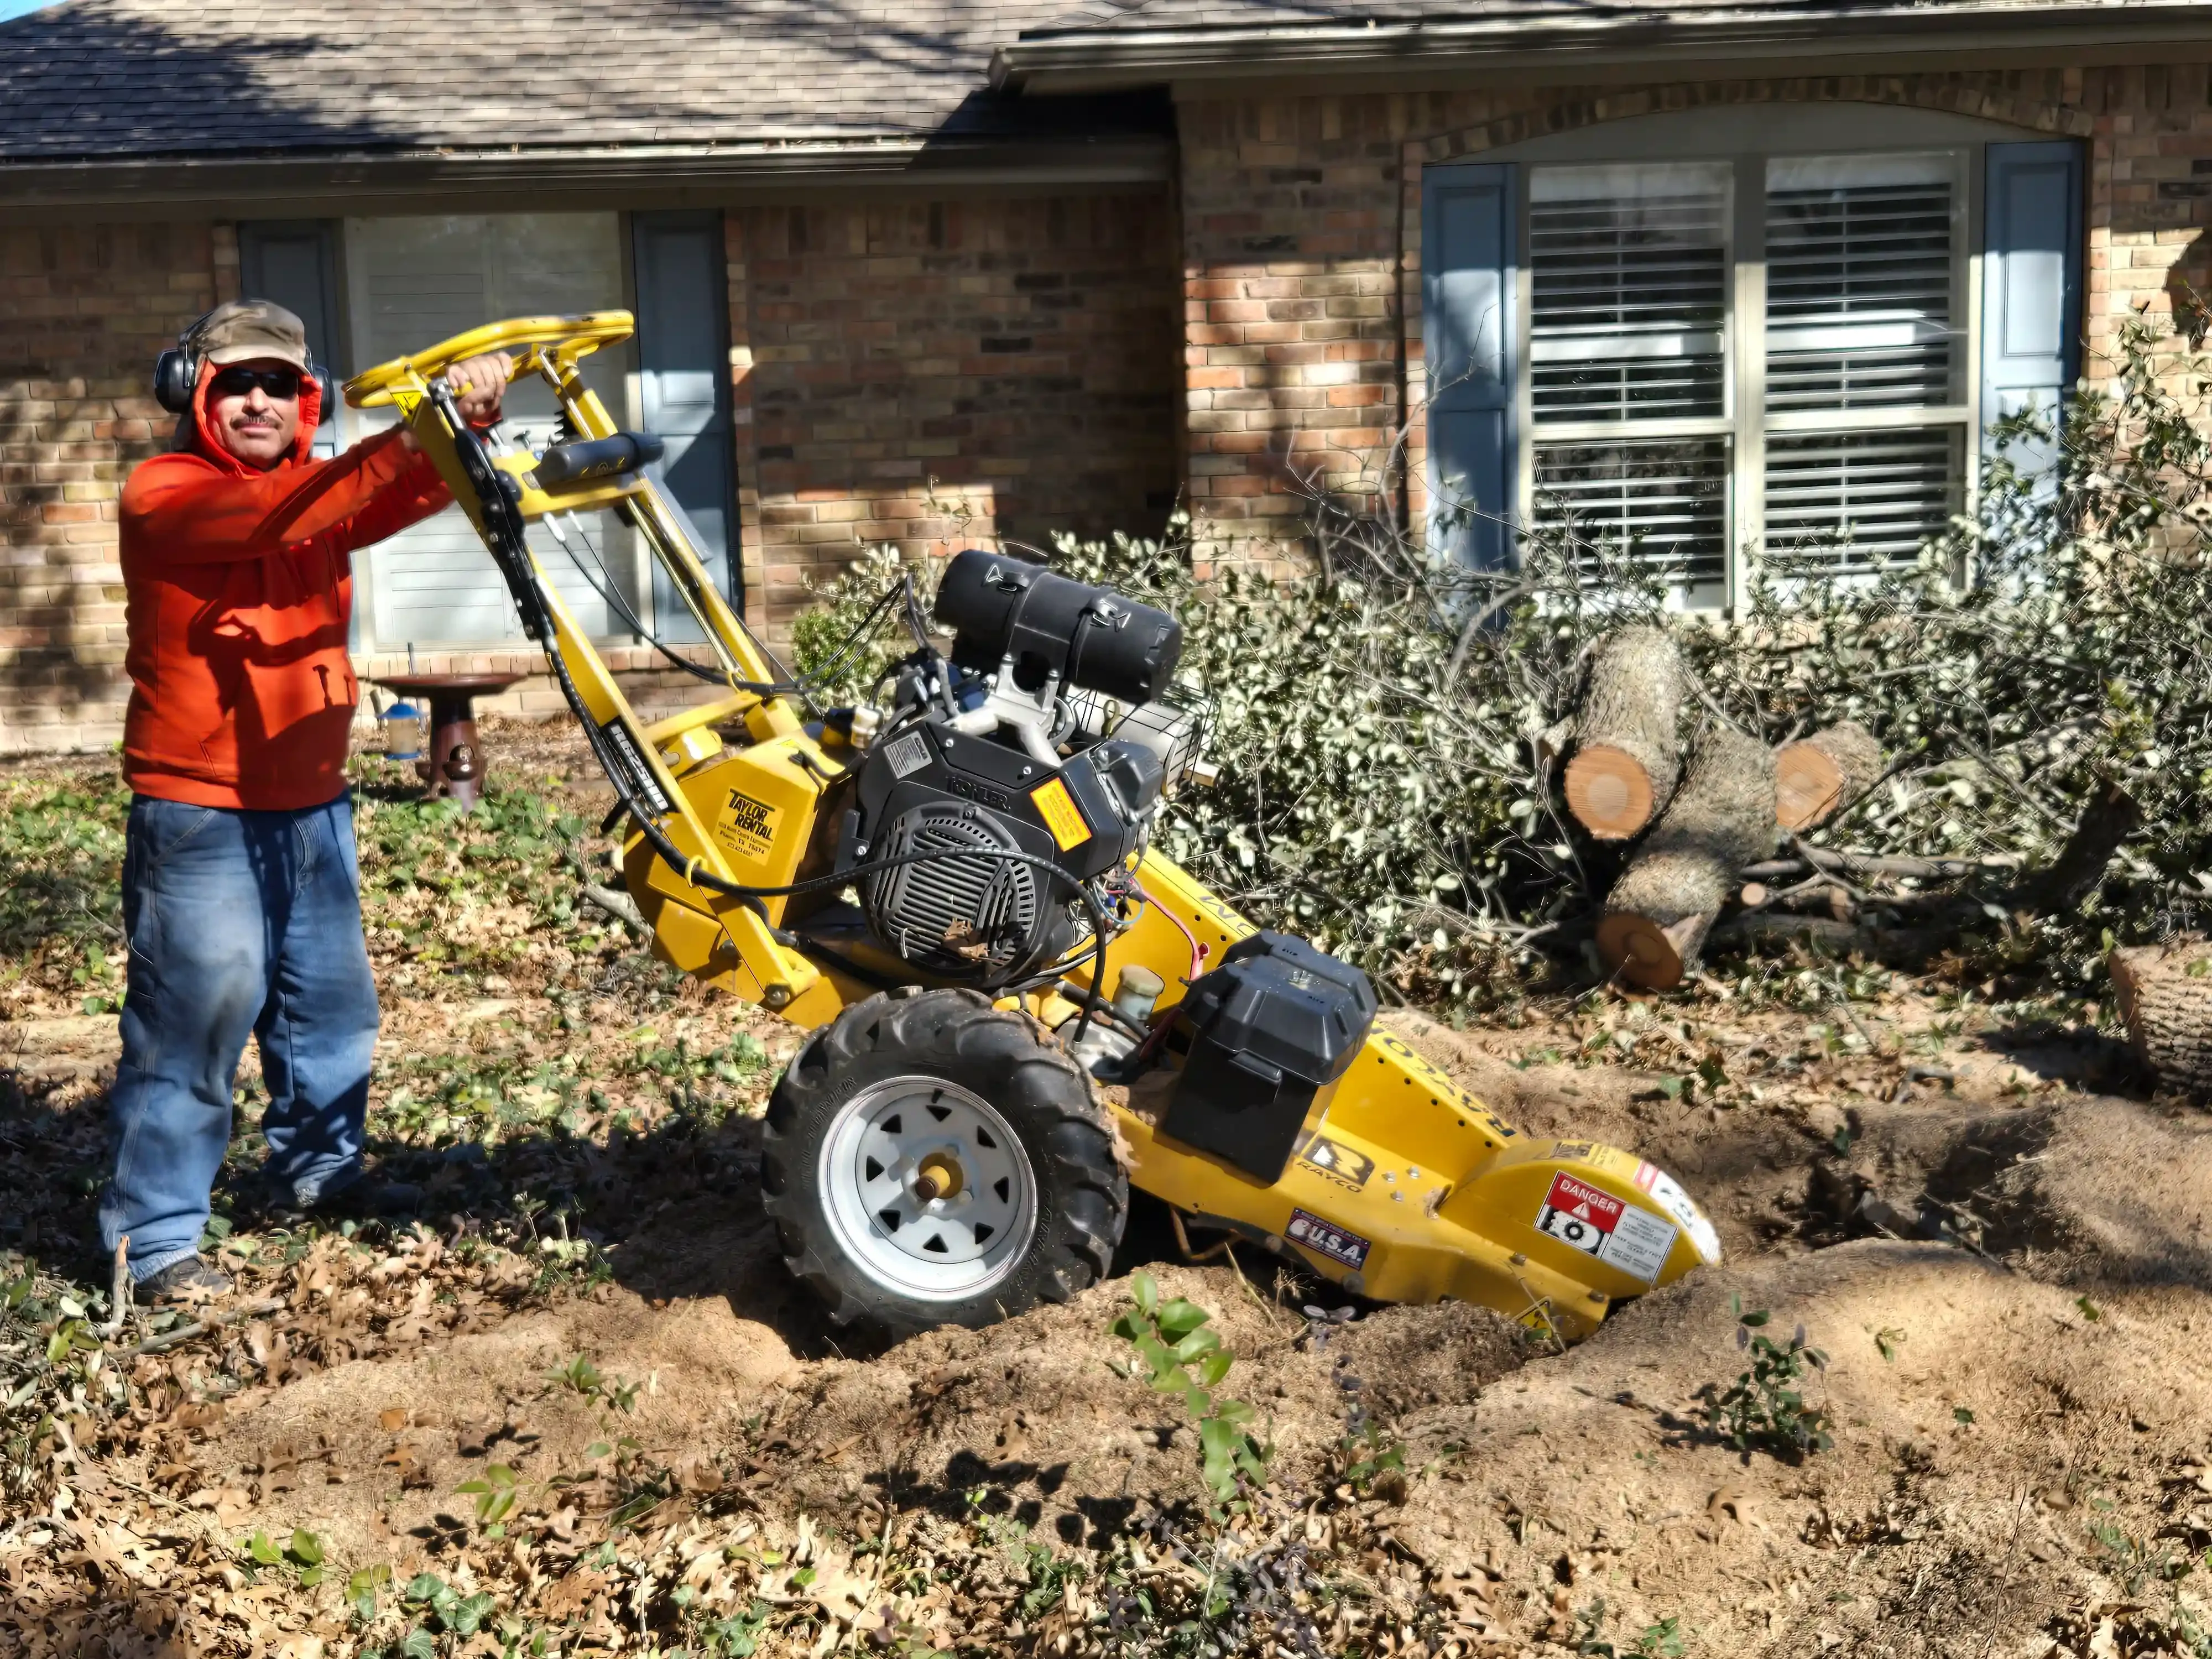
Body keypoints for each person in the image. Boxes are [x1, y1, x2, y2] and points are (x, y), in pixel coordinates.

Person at [101, 298, 514, 1302]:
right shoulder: (166, 492)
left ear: (305, 400)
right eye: (234, 382)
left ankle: (318, 1174)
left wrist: (462, 424)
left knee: (328, 1007)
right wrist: (417, 429)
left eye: (278, 384)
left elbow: (407, 489)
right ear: (191, 394)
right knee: (196, 1014)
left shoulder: (315, 495)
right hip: (200, 808)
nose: (256, 399)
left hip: (312, 801)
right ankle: (153, 1243)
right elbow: (304, 509)